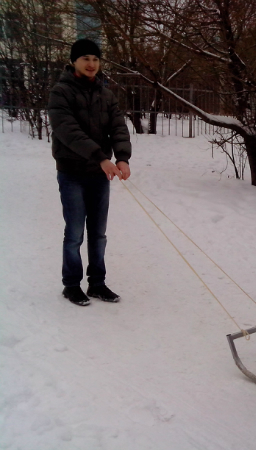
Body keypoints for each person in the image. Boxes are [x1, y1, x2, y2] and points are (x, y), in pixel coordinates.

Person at [48, 39, 132, 306]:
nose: (91, 64)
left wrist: (122, 158)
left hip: (99, 175)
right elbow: (68, 131)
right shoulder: (61, 92)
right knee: (75, 233)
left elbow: (118, 127)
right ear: (74, 61)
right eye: (85, 58)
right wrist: (101, 158)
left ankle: (97, 283)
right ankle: (71, 285)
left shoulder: (106, 95)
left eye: (95, 59)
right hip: (72, 173)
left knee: (98, 234)